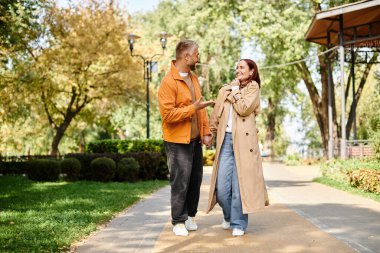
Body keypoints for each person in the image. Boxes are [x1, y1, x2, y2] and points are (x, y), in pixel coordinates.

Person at [206, 59, 269, 236]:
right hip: (225, 140)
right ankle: (228, 216)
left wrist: (234, 93)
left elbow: (244, 108)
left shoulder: (253, 88)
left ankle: (239, 223)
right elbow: (216, 113)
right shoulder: (225, 89)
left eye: (241, 67)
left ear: (251, 71)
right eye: (236, 67)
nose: (237, 70)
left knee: (240, 185)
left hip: (245, 142)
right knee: (222, 187)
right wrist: (210, 133)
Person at [158, 39, 214, 236]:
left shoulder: (194, 78)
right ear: (186, 56)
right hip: (176, 141)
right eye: (196, 54)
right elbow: (168, 115)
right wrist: (193, 108)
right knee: (180, 180)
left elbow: (201, 111)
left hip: (194, 140)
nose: (198, 58)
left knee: (195, 179)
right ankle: (178, 221)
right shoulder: (168, 82)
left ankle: (190, 216)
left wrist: (206, 132)